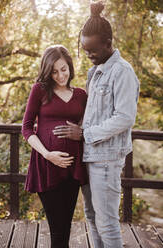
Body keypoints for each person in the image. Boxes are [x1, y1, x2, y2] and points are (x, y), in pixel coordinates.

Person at [53, 2, 140, 248]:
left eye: (92, 50)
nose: (88, 55)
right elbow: (94, 112)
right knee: (91, 217)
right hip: (89, 156)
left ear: (108, 42)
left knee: (107, 222)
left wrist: (84, 133)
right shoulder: (97, 71)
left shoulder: (122, 72)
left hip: (106, 160)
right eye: (84, 50)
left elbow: (125, 117)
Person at [22, 45, 88, 248]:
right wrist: (48, 154)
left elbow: (88, 127)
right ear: (47, 71)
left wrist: (82, 134)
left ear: (70, 67)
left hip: (72, 167)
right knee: (57, 229)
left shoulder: (81, 95)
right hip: (47, 166)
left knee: (65, 227)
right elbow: (26, 129)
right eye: (54, 71)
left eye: (64, 69)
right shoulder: (40, 90)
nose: (60, 75)